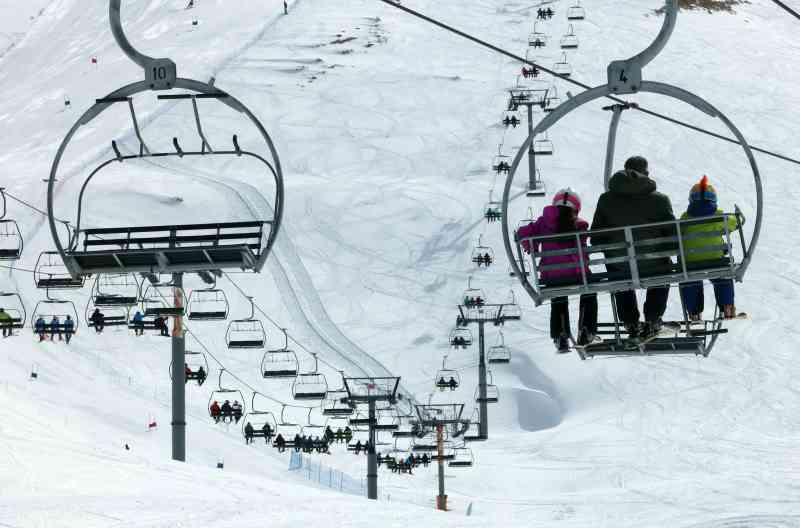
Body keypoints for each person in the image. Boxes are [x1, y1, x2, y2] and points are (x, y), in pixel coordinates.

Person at [591, 156, 675, 340]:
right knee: (664, 266)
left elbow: (595, 237)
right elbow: (673, 236)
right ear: (645, 174)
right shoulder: (660, 200)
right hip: (654, 265)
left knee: (615, 268)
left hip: (620, 267)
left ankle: (630, 322)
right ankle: (652, 319)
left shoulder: (606, 200)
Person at [517, 188, 598, 352]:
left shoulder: (543, 222)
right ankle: (586, 330)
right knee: (589, 291)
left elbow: (523, 233)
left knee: (558, 295)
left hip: (551, 276)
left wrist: (530, 246)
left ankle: (560, 334)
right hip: (578, 275)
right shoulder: (580, 224)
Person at [679, 176, 740, 320]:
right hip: (715, 260)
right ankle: (727, 307)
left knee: (690, 279)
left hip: (691, 262)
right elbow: (733, 223)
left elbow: (679, 232)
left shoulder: (685, 218)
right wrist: (737, 219)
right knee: (722, 276)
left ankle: (694, 312)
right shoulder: (719, 215)